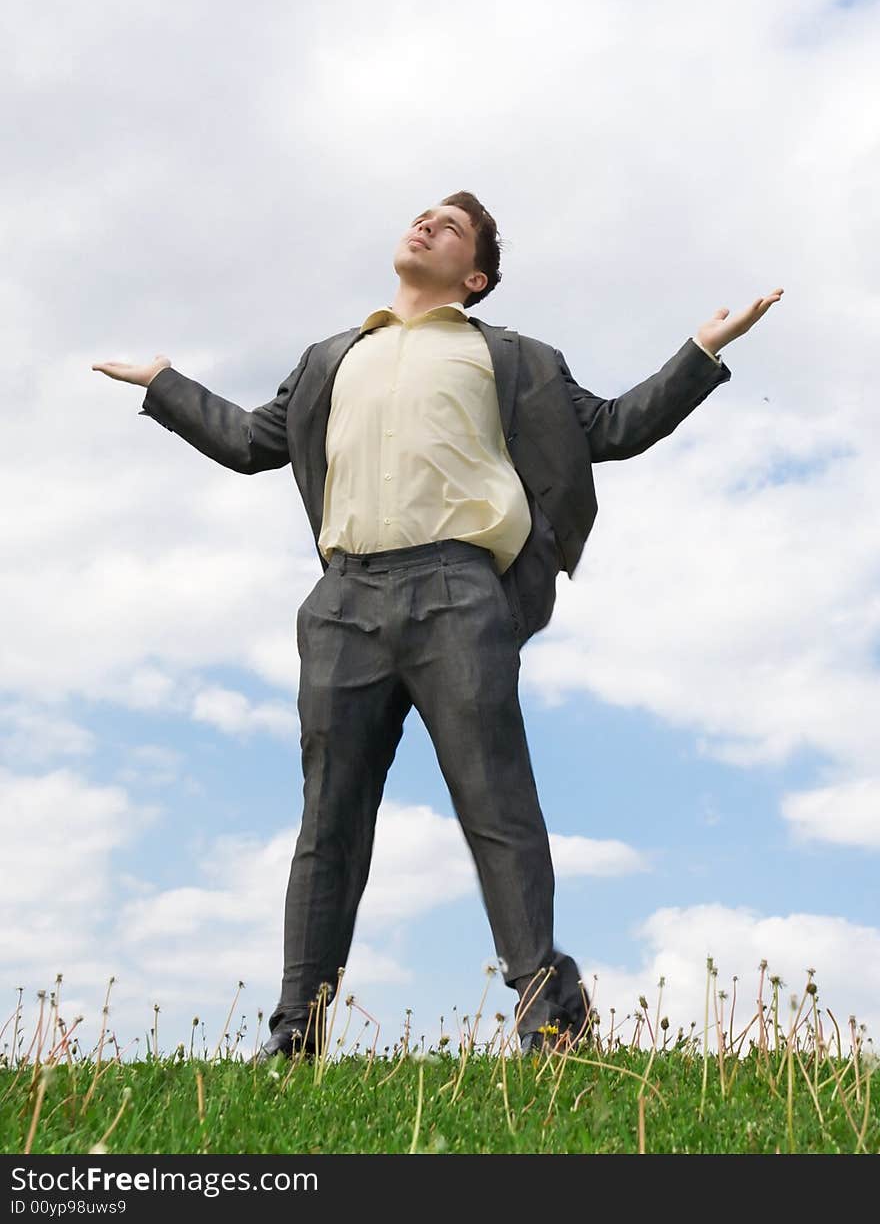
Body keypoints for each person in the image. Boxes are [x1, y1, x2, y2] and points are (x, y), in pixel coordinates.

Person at [93, 191, 782, 1059]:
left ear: (477, 273)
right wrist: (164, 383)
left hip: (458, 591)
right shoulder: (330, 357)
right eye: (420, 216)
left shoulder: (514, 358)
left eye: (449, 227)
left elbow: (611, 428)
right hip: (343, 602)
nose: (424, 225)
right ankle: (295, 1032)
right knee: (328, 822)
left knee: (497, 804)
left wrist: (701, 352)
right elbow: (249, 441)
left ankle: (547, 1012)